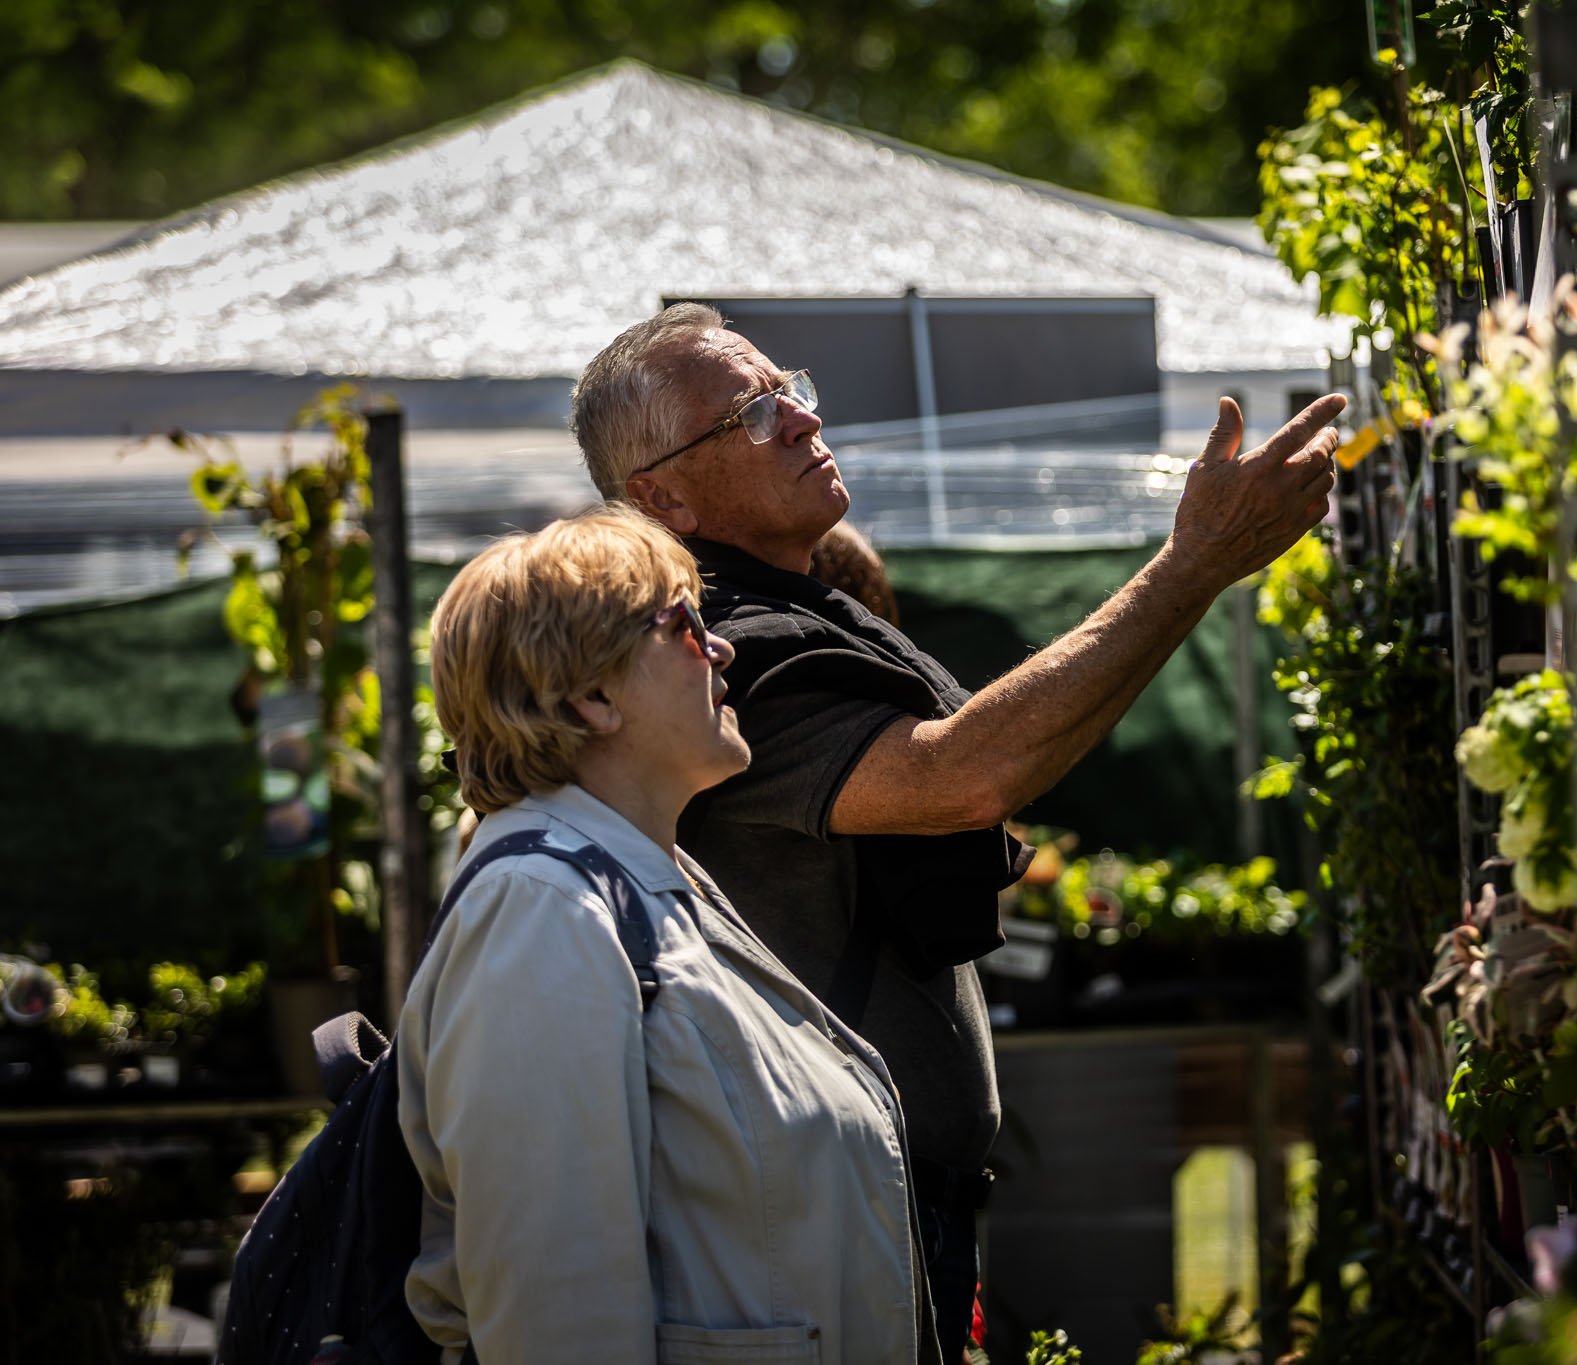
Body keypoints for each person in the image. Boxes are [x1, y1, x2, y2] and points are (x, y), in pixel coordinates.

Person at [571, 303, 1342, 1359]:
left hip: (866, 1195)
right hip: (817, 1216)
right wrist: (1193, 563)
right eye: (751, 414)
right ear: (660, 496)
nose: (801, 418)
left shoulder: (792, 612)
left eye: (789, 389)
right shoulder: (716, 659)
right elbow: (964, 776)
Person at [399, 507, 934, 1365]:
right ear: (592, 695)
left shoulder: (635, 875)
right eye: (682, 621)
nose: (719, 647)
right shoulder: (542, 910)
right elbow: (558, 1321)